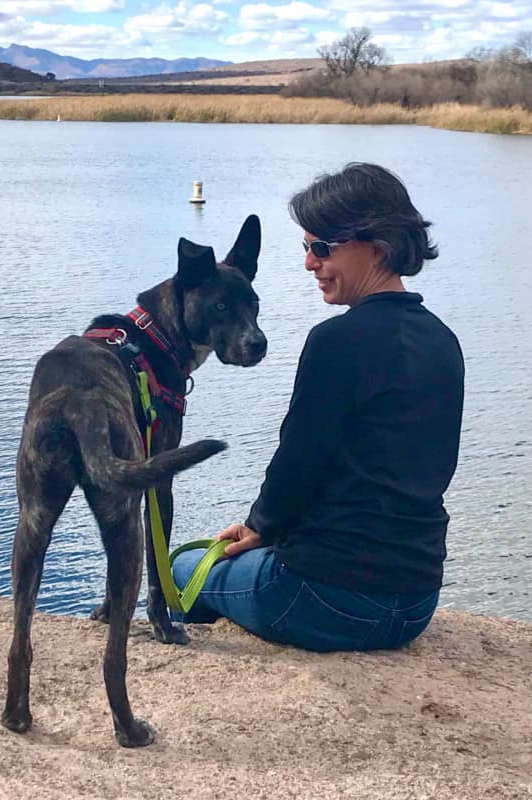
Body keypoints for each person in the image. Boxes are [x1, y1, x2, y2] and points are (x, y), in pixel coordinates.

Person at [171, 162, 464, 652]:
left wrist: (259, 526)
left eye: (322, 247)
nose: (310, 262)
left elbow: (300, 462)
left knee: (182, 568)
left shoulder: (335, 341)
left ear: (378, 246)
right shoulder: (443, 341)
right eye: (306, 247)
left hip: (322, 597)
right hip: (416, 604)